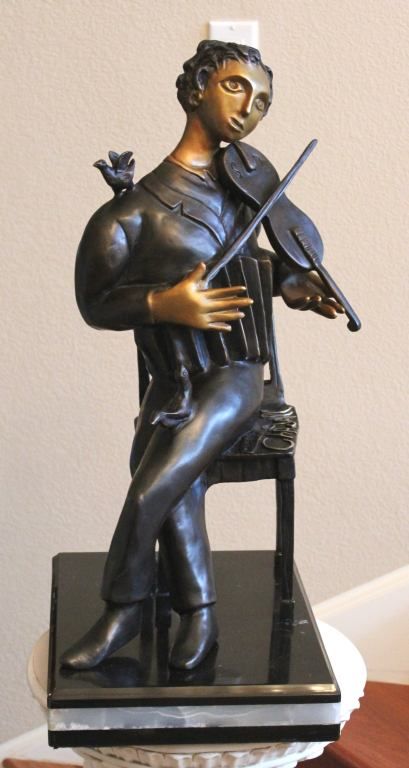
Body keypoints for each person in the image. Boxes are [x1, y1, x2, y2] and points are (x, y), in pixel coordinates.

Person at [61, 40, 343, 671]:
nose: (250, 109)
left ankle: (123, 610)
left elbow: (253, 260)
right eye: (237, 87)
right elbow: (95, 303)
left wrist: (292, 283)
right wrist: (163, 304)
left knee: (149, 488)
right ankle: (200, 614)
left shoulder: (243, 189)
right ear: (196, 89)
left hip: (234, 374)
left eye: (263, 101)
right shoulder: (131, 212)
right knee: (171, 478)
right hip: (172, 380)